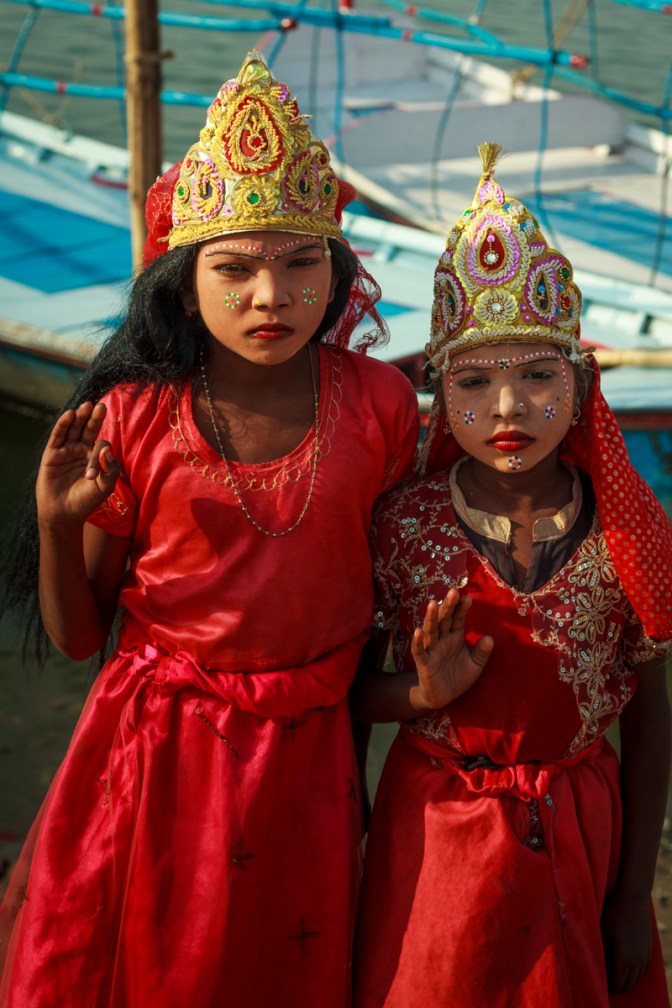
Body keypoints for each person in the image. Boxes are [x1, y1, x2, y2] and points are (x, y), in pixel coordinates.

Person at [0, 50, 419, 1008]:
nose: (271, 298)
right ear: (186, 285)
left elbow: (384, 596)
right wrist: (54, 525)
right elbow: (77, 641)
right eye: (235, 271)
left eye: (300, 263)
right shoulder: (137, 418)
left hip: (311, 746)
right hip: (158, 751)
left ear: (338, 270)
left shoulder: (381, 405)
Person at [352, 142, 672, 1008]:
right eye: (476, 381)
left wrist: (632, 895)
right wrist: (420, 695)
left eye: (538, 376)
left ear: (579, 384)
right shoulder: (397, 525)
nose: (507, 409)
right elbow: (346, 701)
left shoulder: (627, 534)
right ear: (438, 390)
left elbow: (649, 724)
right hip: (433, 837)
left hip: (585, 830)